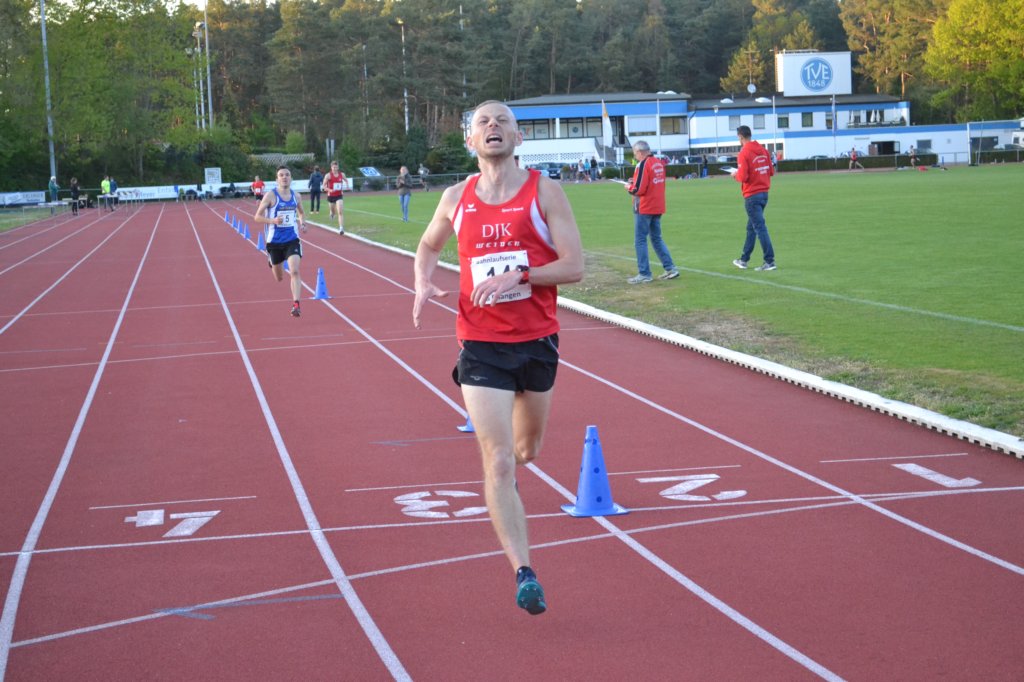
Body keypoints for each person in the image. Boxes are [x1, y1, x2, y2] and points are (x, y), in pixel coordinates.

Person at [412, 100, 584, 616]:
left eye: (503, 120)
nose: (493, 126)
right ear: (470, 140)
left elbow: (574, 267)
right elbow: (427, 246)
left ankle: (511, 472)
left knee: (527, 450)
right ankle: (524, 572)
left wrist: (522, 275)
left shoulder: (544, 192)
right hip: (480, 342)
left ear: (519, 137)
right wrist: (422, 281)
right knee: (500, 459)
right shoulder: (455, 197)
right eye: (483, 122)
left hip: (537, 340)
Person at [255, 166, 308, 318]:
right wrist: (272, 220)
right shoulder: (270, 196)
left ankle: (296, 304)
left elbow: (301, 213)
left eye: (287, 175)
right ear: (277, 179)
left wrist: (303, 223)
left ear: (291, 178)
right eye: (281, 175)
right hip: (274, 242)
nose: (284, 177)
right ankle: (271, 261)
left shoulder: (296, 196)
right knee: (279, 278)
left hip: (292, 239)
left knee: (294, 271)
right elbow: (257, 217)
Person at [625, 140, 679, 283]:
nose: (635, 156)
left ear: (640, 152)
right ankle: (670, 268)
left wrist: (629, 187)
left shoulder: (643, 164)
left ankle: (644, 273)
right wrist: (635, 181)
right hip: (657, 205)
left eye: (635, 153)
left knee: (640, 240)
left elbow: (639, 189)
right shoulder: (658, 163)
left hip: (645, 206)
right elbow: (650, 181)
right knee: (656, 238)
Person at [731, 125, 777, 271]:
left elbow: (743, 177)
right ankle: (744, 259)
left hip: (752, 195)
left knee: (759, 228)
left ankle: (769, 261)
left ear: (740, 137)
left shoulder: (744, 153)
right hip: (764, 193)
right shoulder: (763, 150)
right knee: (751, 227)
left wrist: (735, 175)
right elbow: (771, 171)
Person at [322, 160, 346, 234]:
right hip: (331, 196)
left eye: (336, 167)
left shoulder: (342, 174)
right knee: (333, 211)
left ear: (338, 167)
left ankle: (341, 228)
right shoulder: (328, 175)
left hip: (339, 195)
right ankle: (332, 213)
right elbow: (324, 186)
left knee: (340, 211)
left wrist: (346, 186)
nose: (335, 169)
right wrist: (330, 190)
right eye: (333, 167)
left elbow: (346, 180)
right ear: (331, 167)